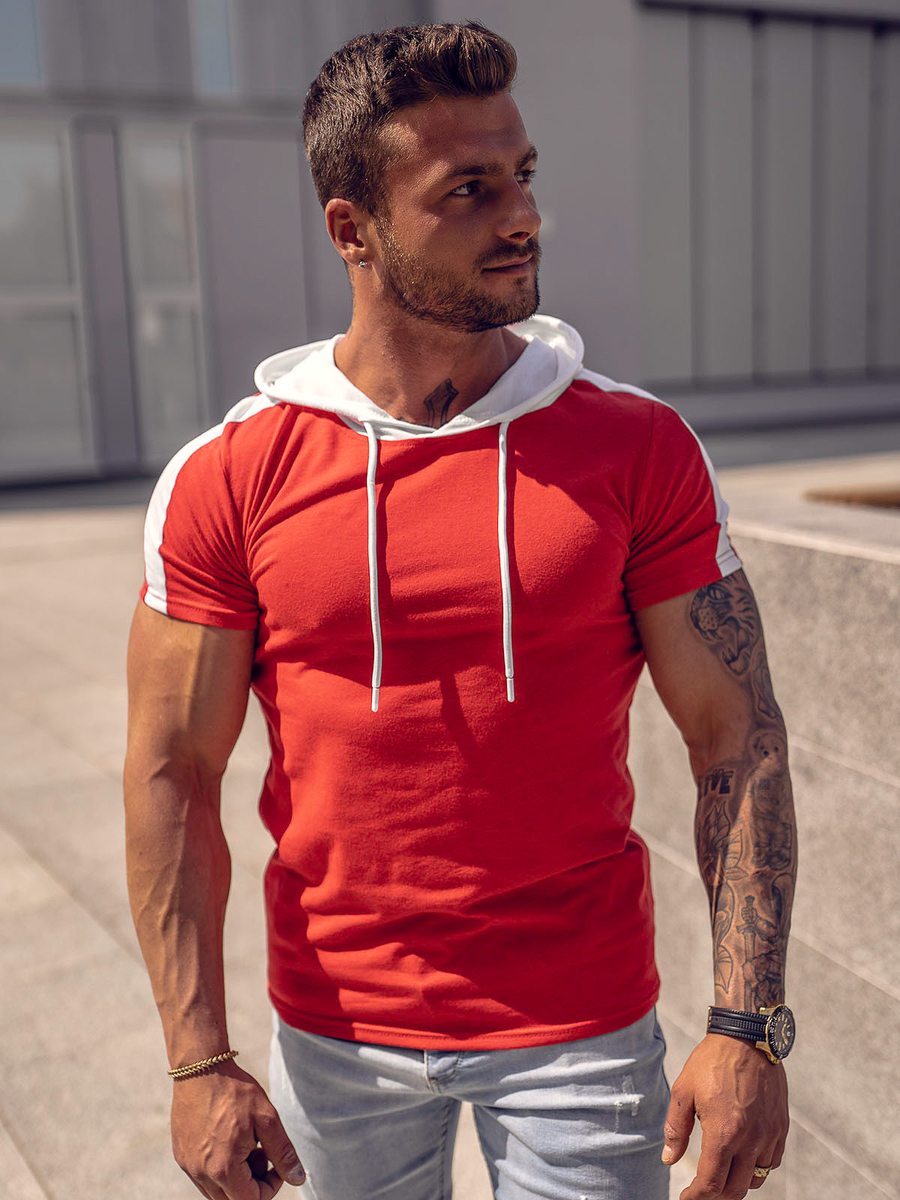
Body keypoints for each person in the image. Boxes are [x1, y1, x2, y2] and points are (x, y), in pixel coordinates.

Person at [124, 21, 797, 1200]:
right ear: (352, 230)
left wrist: (746, 1027)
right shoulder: (229, 475)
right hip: (337, 1035)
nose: (522, 215)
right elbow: (173, 771)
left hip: (582, 1032)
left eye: (523, 174)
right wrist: (198, 1060)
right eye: (468, 190)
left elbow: (736, 740)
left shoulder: (635, 449)